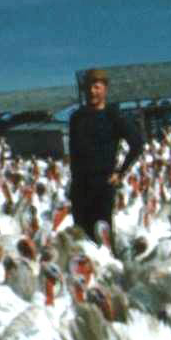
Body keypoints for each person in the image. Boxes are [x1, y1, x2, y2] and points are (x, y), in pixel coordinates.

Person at [67, 68, 144, 246]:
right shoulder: (77, 118)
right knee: (81, 236)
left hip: (103, 183)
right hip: (80, 184)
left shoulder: (114, 116)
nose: (92, 91)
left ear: (105, 89)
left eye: (96, 87)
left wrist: (120, 172)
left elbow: (137, 144)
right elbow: (73, 150)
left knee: (103, 235)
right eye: (88, 87)